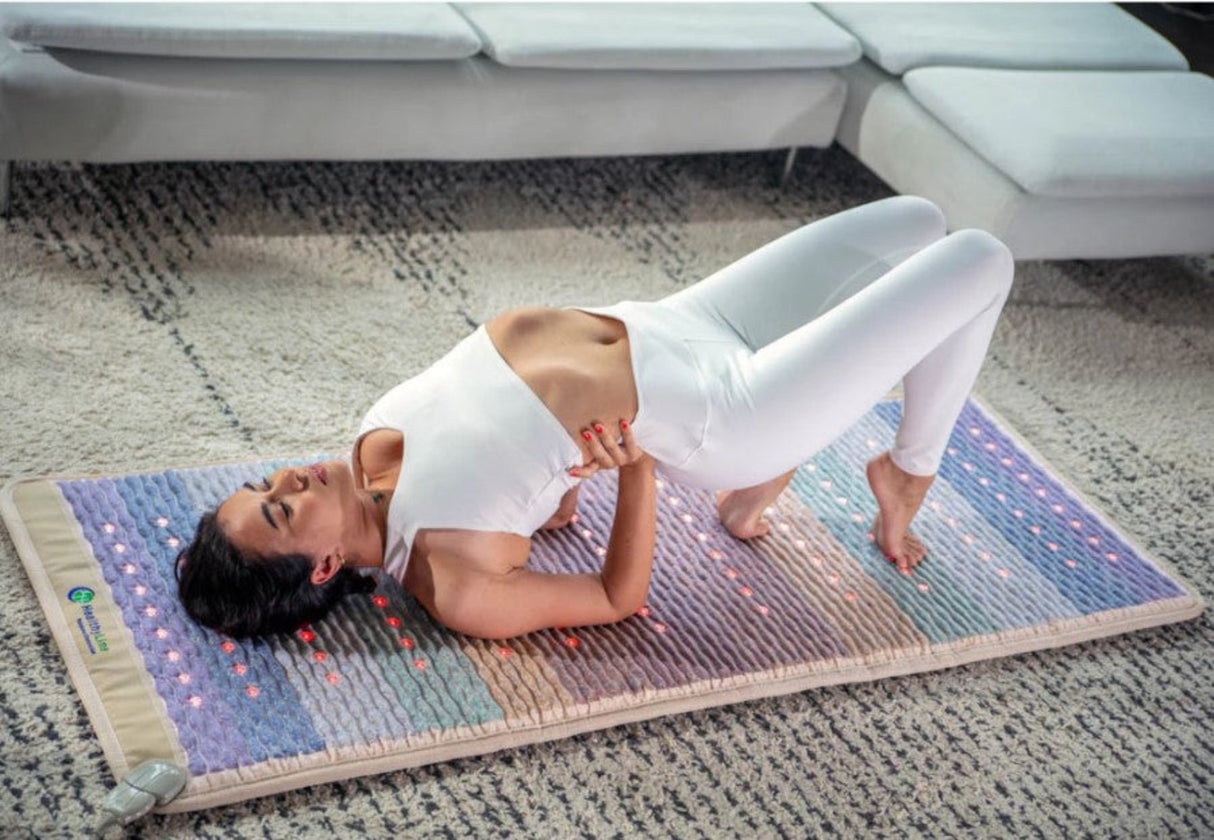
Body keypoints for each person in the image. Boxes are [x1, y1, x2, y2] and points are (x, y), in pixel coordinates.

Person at [175, 196, 1014, 642]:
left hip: (680, 322)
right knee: (979, 258)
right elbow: (619, 597)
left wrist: (561, 494)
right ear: (322, 567)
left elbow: (522, 472)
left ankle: (757, 493)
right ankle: (904, 472)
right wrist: (637, 466)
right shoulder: (453, 585)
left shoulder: (373, 437)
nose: (285, 476)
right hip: (722, 411)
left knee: (916, 222)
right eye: (280, 507)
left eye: (264, 483)